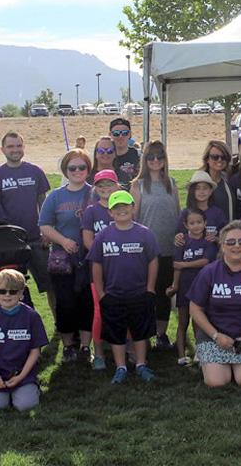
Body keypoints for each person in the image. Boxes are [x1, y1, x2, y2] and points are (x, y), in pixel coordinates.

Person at [188, 221, 241, 387]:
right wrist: (215, 335)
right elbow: (195, 308)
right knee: (217, 382)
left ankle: (238, 366)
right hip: (213, 339)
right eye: (231, 242)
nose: (237, 246)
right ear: (222, 246)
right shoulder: (209, 272)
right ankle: (209, 363)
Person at [88, 190, 159, 384]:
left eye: (125, 207)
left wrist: (150, 288)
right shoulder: (103, 235)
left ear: (133, 208)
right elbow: (96, 264)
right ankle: (120, 367)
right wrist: (101, 293)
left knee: (140, 331)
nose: (121, 211)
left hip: (139, 292)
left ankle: (141, 364)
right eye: (116, 208)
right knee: (116, 332)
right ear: (110, 212)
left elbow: (153, 261)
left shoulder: (144, 233)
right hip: (113, 294)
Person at [0, 132, 54, 314]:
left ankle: (59, 325)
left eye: (18, 146)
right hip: (11, 243)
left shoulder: (35, 171)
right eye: (10, 146)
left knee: (51, 285)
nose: (15, 150)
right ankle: (16, 323)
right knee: (12, 286)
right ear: (2, 150)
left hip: (37, 239)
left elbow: (44, 202)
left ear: (23, 148)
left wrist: (47, 230)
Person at [39, 148, 93, 363]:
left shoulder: (95, 193)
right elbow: (44, 225)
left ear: (88, 169)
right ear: (65, 170)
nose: (77, 171)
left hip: (89, 259)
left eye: (82, 167)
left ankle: (86, 347)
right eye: (72, 168)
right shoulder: (56, 196)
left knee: (86, 303)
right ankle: (69, 345)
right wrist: (63, 241)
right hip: (63, 260)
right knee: (65, 303)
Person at [130, 140, 180, 350]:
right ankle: (143, 334)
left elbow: (178, 214)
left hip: (169, 248)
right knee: (146, 293)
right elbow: (133, 217)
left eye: (159, 156)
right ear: (145, 160)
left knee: (164, 293)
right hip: (146, 251)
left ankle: (161, 333)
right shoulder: (138, 184)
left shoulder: (172, 182)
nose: (155, 160)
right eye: (151, 157)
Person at [0, 269, 48, 411]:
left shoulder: (31, 317)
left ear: (21, 294)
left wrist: (21, 376)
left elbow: (35, 351)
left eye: (13, 291)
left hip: (23, 373)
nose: (7, 295)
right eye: (2, 291)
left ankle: (31, 387)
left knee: (26, 406)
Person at [80, 170, 121, 370]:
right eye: (101, 186)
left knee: (124, 307)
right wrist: (108, 253)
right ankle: (99, 353)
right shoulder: (91, 211)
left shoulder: (123, 207)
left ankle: (126, 348)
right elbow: (88, 241)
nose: (105, 189)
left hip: (123, 267)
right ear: (95, 189)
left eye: (109, 184)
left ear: (117, 186)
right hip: (99, 267)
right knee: (99, 311)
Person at [168, 208, 218, 364]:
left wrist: (185, 264)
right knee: (183, 322)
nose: (196, 226)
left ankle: (199, 352)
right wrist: (175, 285)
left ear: (205, 223)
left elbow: (205, 261)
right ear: (186, 224)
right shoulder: (182, 241)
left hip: (202, 288)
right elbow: (177, 266)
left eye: (199, 222)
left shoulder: (207, 241)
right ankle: (181, 355)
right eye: (192, 223)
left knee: (199, 322)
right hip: (184, 287)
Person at [175, 170, 228, 244]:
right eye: (197, 188)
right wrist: (178, 238)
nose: (201, 191)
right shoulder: (185, 213)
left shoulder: (218, 213)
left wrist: (216, 239)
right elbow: (179, 235)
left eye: (205, 188)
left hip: (212, 254)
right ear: (192, 191)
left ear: (210, 191)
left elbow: (225, 237)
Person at [199, 140, 235, 221]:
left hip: (228, 231)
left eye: (223, 157)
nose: (219, 160)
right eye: (215, 157)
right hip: (206, 232)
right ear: (207, 159)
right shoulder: (199, 182)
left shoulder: (230, 181)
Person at [110, 118, 140, 188]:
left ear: (129, 134)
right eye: (116, 133)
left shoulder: (139, 156)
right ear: (110, 134)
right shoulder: (105, 156)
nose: (120, 136)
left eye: (124, 133)